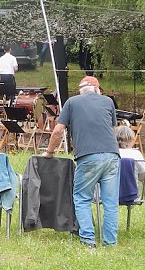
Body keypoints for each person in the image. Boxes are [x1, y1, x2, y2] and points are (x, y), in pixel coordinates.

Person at [44, 75, 120, 248]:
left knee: (82, 198)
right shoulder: (107, 101)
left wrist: (49, 152)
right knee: (110, 202)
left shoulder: (72, 102)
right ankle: (110, 242)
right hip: (112, 155)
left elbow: (57, 131)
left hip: (88, 156)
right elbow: (112, 129)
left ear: (81, 91)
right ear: (96, 89)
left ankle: (88, 240)